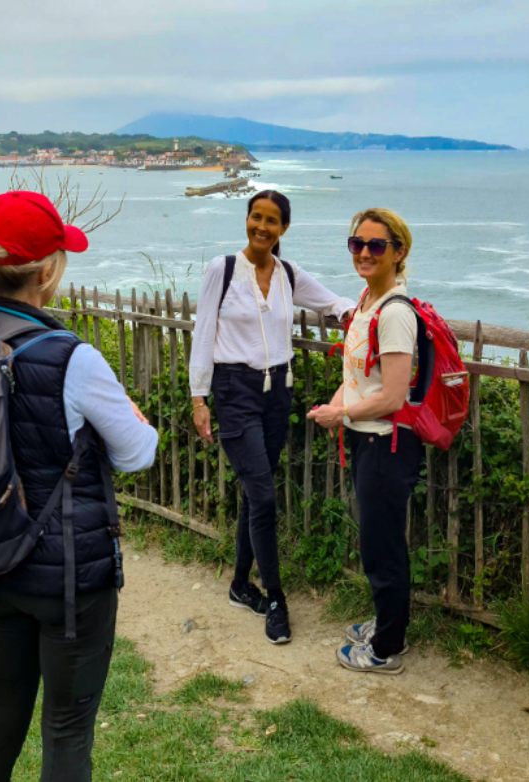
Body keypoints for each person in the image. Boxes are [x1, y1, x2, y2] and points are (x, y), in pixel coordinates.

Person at [0, 192, 158, 782]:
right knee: (66, 729)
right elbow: (137, 455)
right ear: (46, 272)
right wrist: (136, 420)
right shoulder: (73, 359)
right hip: (66, 576)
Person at [189, 190, 353, 645]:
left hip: (278, 393)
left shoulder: (287, 274)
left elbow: (331, 302)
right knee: (263, 496)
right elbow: (203, 335)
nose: (262, 227)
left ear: (283, 228)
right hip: (234, 392)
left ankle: (241, 584)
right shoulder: (221, 272)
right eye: (256, 217)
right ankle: (275, 597)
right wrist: (199, 399)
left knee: (254, 492)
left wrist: (355, 312)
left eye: (272, 220)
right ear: (247, 219)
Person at [307, 208, 421, 675]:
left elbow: (393, 396)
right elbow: (358, 378)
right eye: (358, 244)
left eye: (377, 245)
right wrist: (338, 406)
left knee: (383, 546)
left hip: (386, 445)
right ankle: (386, 621)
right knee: (377, 540)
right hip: (366, 440)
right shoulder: (366, 303)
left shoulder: (394, 314)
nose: (366, 253)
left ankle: (387, 648)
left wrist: (342, 413)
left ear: (399, 252)